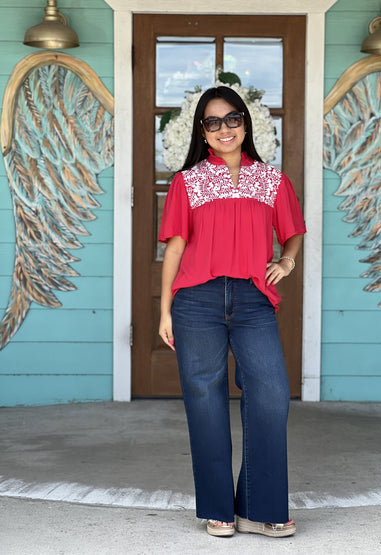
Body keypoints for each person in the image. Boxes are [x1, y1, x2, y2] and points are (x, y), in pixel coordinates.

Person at [158, 86, 306, 538]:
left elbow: (294, 230)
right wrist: (164, 310)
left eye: (232, 119)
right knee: (204, 400)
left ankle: (261, 507)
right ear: (202, 132)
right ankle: (218, 509)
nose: (224, 128)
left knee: (271, 392)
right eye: (213, 121)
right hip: (196, 301)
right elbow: (176, 247)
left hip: (253, 300)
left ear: (246, 123)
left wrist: (287, 260)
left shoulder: (272, 180)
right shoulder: (188, 182)